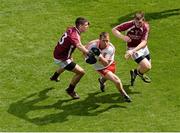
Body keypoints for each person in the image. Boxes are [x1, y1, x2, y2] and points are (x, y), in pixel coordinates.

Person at [50, 17, 90, 99]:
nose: (87, 26)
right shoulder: (74, 35)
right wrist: (88, 53)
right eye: (86, 25)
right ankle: (70, 90)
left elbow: (68, 30)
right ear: (80, 25)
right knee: (81, 72)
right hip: (61, 58)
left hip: (59, 53)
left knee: (69, 62)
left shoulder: (72, 29)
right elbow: (79, 45)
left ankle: (54, 76)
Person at [85, 32, 131, 102]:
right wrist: (87, 59)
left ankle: (101, 80)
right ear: (99, 39)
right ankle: (124, 94)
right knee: (117, 81)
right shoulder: (92, 45)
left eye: (107, 40)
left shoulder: (110, 48)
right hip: (100, 68)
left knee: (108, 76)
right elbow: (84, 51)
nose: (106, 43)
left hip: (109, 64)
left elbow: (105, 64)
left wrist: (99, 55)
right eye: (104, 41)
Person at [112, 11, 152, 86]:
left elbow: (144, 42)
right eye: (135, 22)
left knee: (147, 67)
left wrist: (133, 51)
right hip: (132, 48)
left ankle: (135, 73)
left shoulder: (146, 26)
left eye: (139, 22)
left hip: (142, 48)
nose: (137, 24)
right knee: (147, 67)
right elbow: (114, 30)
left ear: (143, 20)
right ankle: (138, 73)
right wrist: (123, 37)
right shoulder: (129, 24)